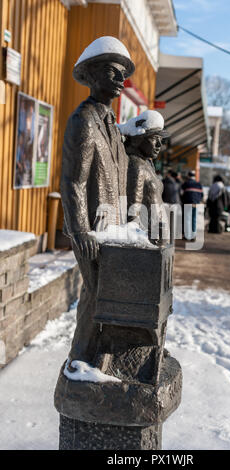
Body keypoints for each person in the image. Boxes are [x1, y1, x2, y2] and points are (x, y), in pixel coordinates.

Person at [60, 36, 135, 368]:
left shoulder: (113, 129)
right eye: (111, 71)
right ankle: (81, 360)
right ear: (91, 75)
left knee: (110, 296)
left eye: (122, 73)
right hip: (93, 230)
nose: (120, 80)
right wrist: (81, 232)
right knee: (95, 295)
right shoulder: (84, 120)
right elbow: (73, 180)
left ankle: (100, 357)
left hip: (114, 228)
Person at [118, 110, 168, 242]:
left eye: (160, 139)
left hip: (156, 235)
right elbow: (132, 210)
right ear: (138, 139)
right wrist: (139, 238)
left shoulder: (147, 163)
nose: (159, 145)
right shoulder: (136, 165)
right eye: (154, 139)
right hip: (149, 237)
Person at [181, 170, 203, 241]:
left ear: (188, 176)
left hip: (188, 203)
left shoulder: (186, 183)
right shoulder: (199, 184)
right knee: (194, 219)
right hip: (196, 203)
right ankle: (193, 236)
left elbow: (181, 193)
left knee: (187, 219)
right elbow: (201, 195)